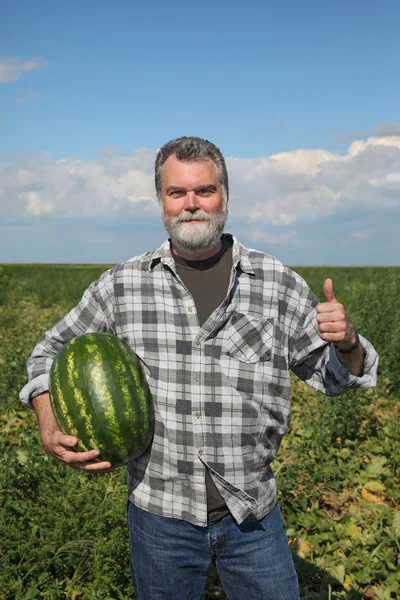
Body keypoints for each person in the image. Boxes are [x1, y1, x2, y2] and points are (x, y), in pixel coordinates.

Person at [20, 136, 379, 600]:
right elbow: (46, 352)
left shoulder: (276, 283)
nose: (192, 204)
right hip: (159, 515)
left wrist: (348, 343)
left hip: (252, 512)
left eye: (204, 191)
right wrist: (48, 423)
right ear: (162, 202)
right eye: (177, 193)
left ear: (225, 196)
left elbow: (334, 378)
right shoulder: (123, 285)